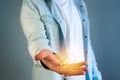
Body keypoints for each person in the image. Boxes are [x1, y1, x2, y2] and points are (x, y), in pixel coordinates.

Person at [20, 0, 102, 80]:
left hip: (84, 76)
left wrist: (95, 76)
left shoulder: (79, 3)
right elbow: (37, 40)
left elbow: (86, 44)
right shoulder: (32, 3)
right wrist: (44, 54)